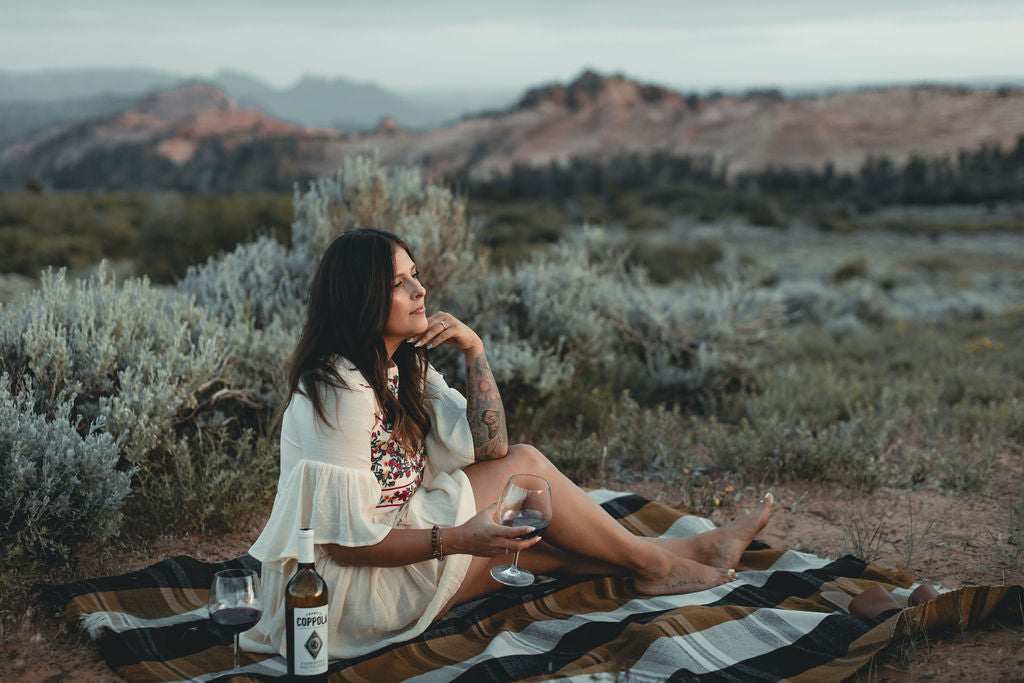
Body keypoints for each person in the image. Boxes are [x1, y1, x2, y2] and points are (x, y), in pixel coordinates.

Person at [241, 228, 774, 660]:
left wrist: (475, 352)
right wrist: (456, 539)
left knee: (544, 549)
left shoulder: (399, 366)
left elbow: (488, 446)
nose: (420, 291)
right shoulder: (337, 390)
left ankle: (691, 552)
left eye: (416, 276)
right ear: (362, 299)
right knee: (528, 474)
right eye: (401, 283)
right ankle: (662, 565)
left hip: (404, 537)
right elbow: (341, 546)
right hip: (344, 594)